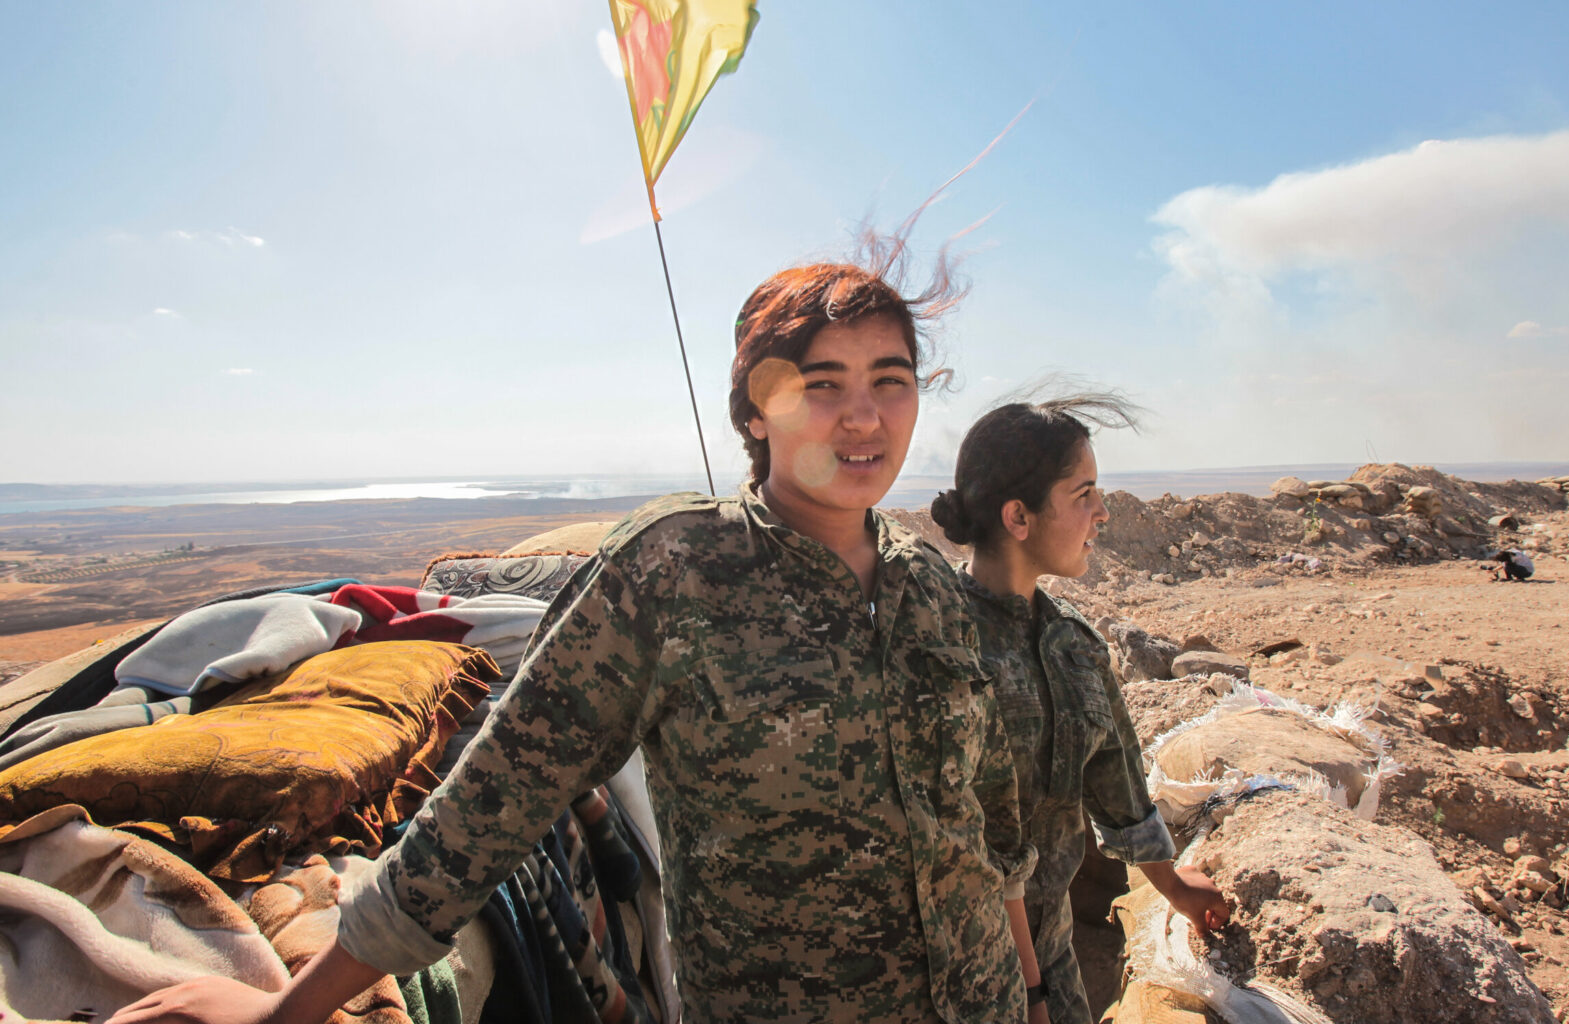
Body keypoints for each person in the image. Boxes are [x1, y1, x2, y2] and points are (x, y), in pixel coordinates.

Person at [113, 252, 1039, 1024]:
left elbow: (990, 824)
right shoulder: (674, 572)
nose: (865, 416)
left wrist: (1034, 994)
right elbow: (487, 808)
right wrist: (286, 1014)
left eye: (890, 381)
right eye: (822, 385)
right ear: (756, 413)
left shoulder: (927, 585)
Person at [930, 395, 1231, 1024]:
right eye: (1083, 493)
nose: (1103, 512)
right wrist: (1029, 994)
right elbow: (973, 843)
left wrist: (1173, 886)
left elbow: (1118, 782)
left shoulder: (1074, 643)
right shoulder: (944, 643)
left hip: (1051, 945)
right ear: (1019, 516)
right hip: (958, 962)